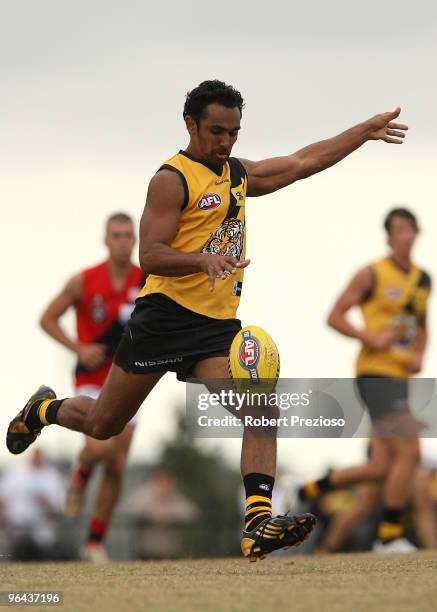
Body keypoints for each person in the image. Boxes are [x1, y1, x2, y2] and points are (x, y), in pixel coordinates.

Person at [7, 80, 408, 562]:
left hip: (215, 328)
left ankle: (257, 524)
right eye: (217, 131)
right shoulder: (170, 179)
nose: (226, 142)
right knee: (102, 425)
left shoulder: (236, 174)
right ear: (191, 124)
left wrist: (362, 132)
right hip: (163, 318)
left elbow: (301, 164)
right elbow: (150, 255)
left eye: (234, 133)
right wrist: (202, 260)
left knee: (261, 411)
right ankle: (44, 411)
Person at [299, 208, 431, 552]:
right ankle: (388, 536)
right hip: (375, 374)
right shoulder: (372, 273)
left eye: (409, 228)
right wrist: (368, 337)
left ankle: (314, 488)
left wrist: (419, 353)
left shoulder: (422, 280)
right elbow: (335, 316)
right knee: (411, 450)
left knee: (381, 466)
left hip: (400, 378)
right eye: (398, 229)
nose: (404, 234)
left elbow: (422, 326)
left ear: (416, 234)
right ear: (388, 236)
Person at [39, 212, 143, 562]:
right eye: (117, 235)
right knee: (99, 448)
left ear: (136, 240)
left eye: (129, 235)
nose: (123, 241)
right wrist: (77, 348)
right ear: (106, 239)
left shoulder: (147, 280)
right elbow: (47, 318)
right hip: (91, 380)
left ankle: (94, 542)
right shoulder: (84, 281)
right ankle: (81, 473)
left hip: (130, 379)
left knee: (116, 465)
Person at [0, 449, 65, 560]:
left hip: (43, 531)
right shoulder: (15, 473)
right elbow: (2, 500)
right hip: (16, 529)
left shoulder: (53, 477)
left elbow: (60, 509)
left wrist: (46, 504)